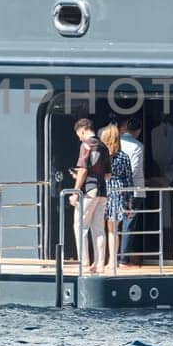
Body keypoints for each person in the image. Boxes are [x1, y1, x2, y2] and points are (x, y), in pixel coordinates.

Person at [67, 117, 108, 273]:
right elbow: (107, 175)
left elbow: (83, 170)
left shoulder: (85, 145)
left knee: (80, 226)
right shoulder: (103, 146)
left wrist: (75, 192)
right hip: (103, 191)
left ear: (83, 130)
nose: (79, 138)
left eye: (79, 134)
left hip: (89, 190)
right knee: (98, 229)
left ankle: (84, 263)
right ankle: (99, 265)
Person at [100, 123, 133, 274]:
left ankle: (107, 260)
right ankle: (113, 260)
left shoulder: (102, 156)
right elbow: (128, 180)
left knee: (104, 228)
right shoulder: (123, 156)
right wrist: (129, 202)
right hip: (118, 191)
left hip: (105, 190)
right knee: (114, 229)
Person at [118, 118, 146, 265]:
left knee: (113, 223)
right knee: (128, 224)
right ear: (138, 131)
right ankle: (123, 259)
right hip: (134, 190)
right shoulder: (138, 146)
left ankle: (111, 259)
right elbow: (134, 169)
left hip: (116, 189)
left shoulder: (116, 142)